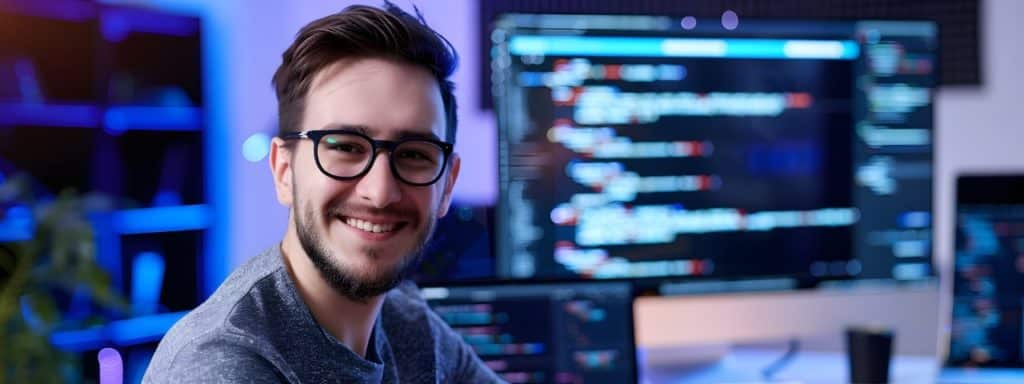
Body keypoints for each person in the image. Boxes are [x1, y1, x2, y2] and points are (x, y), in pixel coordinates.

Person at [143, 2, 503, 383]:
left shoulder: (408, 326)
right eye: (345, 147)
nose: (381, 192)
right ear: (284, 171)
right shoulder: (222, 366)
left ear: (447, 184)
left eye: (414, 154)